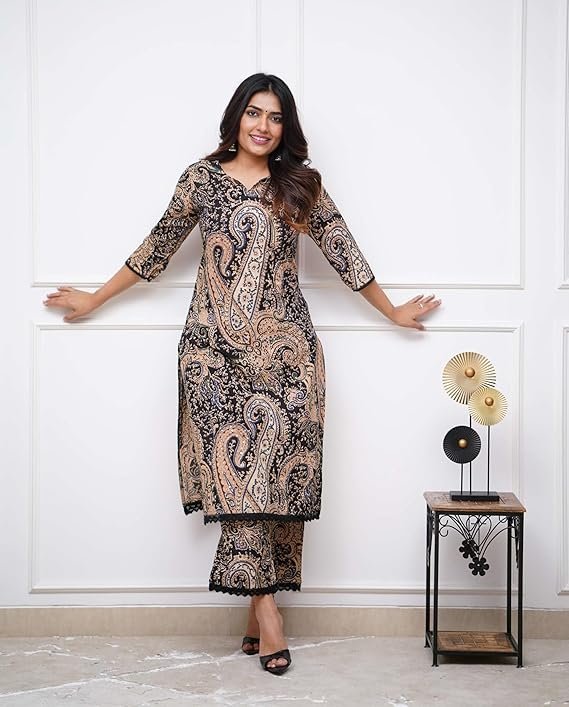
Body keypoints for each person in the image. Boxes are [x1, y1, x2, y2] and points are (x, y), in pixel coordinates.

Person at [43, 73, 441, 675]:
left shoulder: (299, 185)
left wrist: (392, 311)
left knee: (279, 479)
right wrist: (94, 299)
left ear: (286, 127)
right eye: (254, 113)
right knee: (241, 481)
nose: (263, 126)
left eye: (275, 117)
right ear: (235, 117)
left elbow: (343, 249)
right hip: (213, 355)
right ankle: (271, 615)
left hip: (288, 355)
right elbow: (156, 247)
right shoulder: (201, 180)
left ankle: (255, 616)